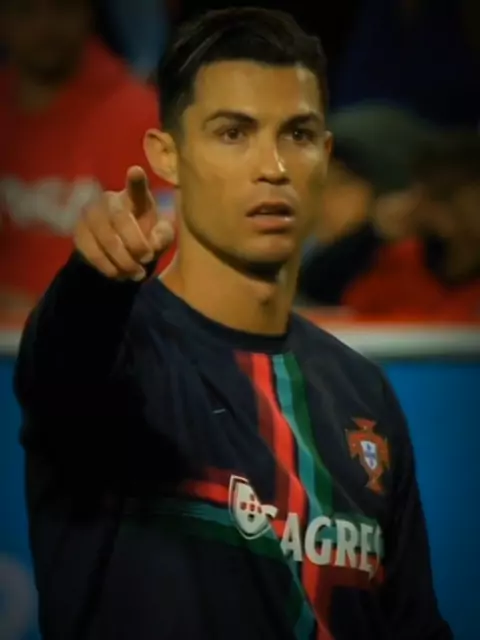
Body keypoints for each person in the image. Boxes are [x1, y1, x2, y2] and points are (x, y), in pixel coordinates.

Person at [15, 8, 452, 639]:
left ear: (326, 155)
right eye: (233, 132)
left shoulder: (365, 396)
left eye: (298, 134)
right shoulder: (116, 353)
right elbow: (60, 361)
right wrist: (93, 280)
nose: (273, 166)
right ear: (167, 155)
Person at [0, 0, 174, 310]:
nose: (45, 27)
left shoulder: (139, 114)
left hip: (97, 329)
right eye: (26, 10)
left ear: (89, 12)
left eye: (62, 8)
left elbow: (169, 270)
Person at [299, 133, 480, 321]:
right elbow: (319, 291)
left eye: (450, 195)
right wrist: (375, 231)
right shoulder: (401, 260)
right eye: (437, 195)